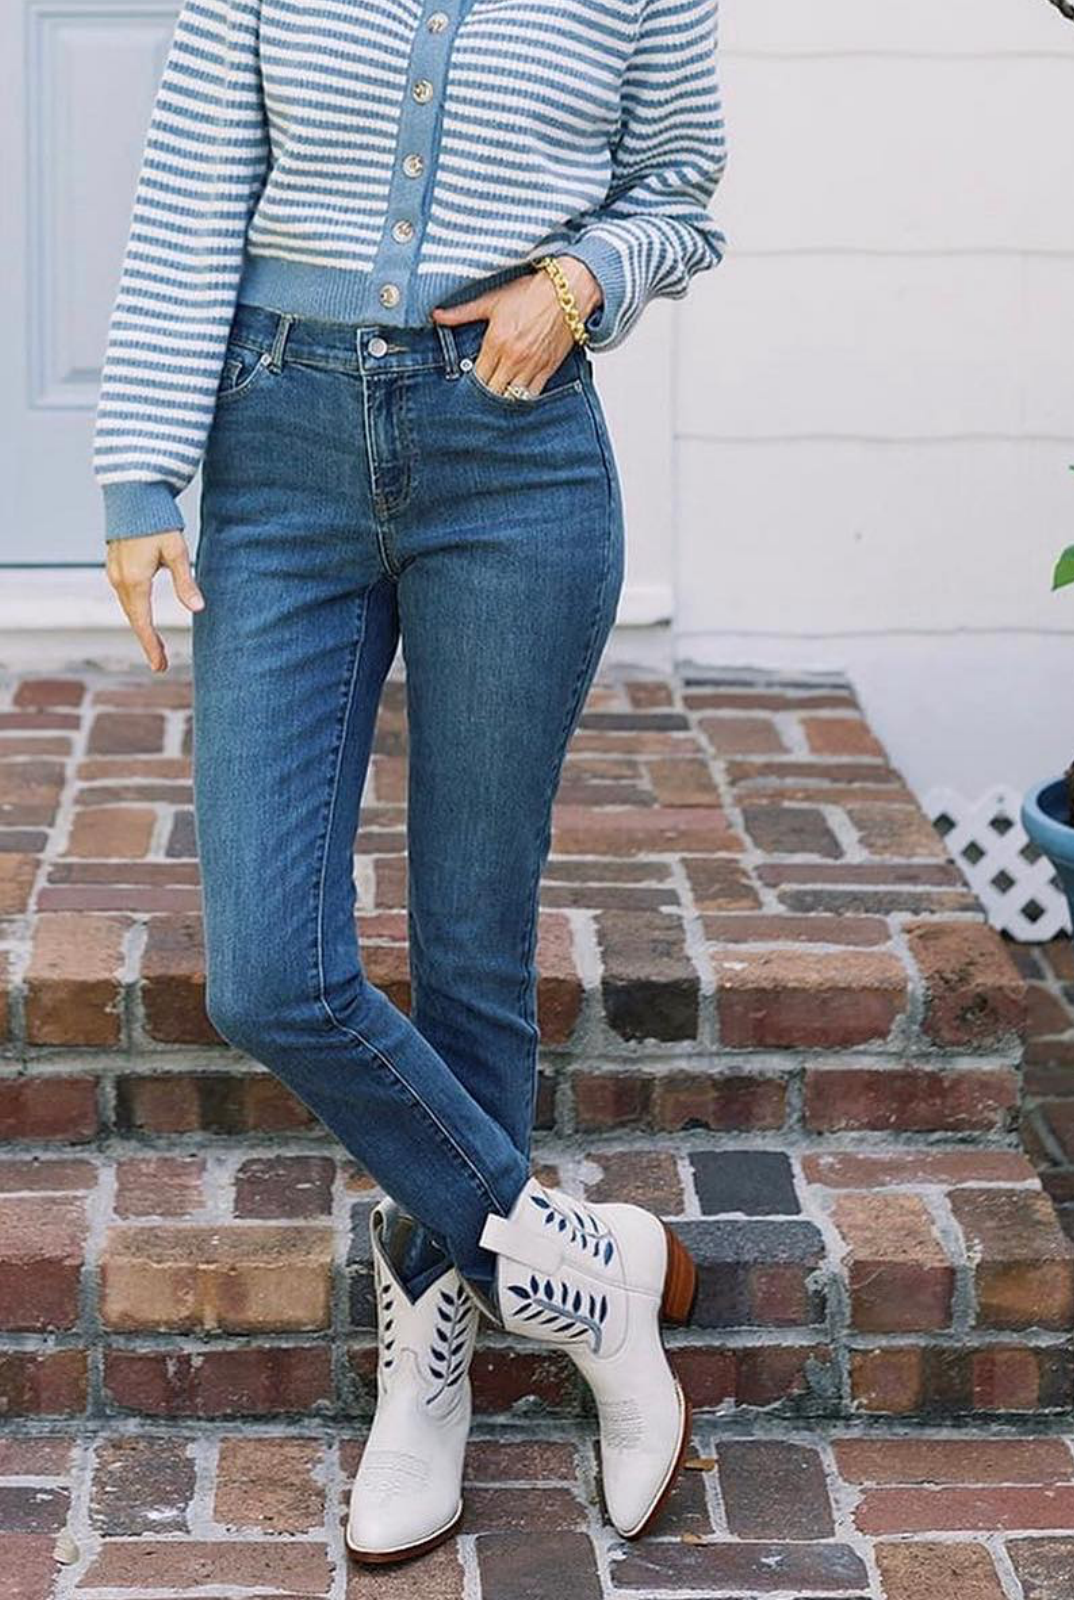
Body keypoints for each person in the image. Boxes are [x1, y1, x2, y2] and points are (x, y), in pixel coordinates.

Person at [92, 0, 726, 1564]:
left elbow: (684, 188)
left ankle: (428, 1378)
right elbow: (188, 188)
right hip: (279, 442)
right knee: (268, 972)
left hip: (518, 457)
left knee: (471, 940)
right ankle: (584, 1278)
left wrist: (584, 280)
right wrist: (138, 460)